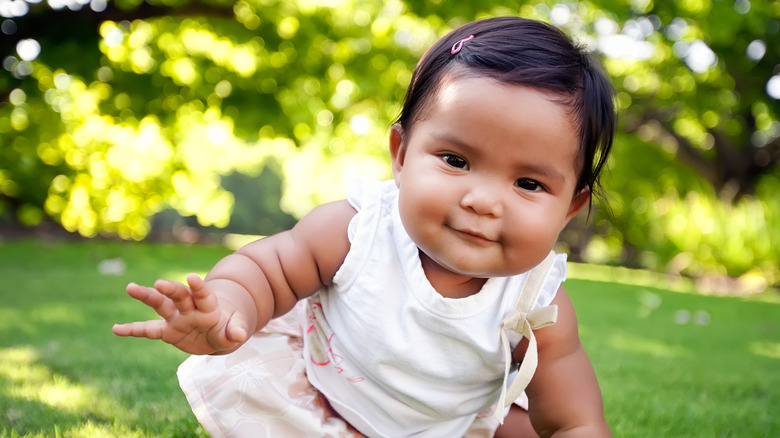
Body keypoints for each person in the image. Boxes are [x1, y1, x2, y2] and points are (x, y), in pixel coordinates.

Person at [113, 16, 615, 437]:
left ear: (569, 208)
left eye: (528, 183)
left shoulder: (539, 305)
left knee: (516, 427)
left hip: (444, 426)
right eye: (455, 160)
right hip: (320, 396)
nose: (482, 201)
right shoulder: (358, 230)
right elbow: (267, 271)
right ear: (400, 155)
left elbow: (573, 420)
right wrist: (226, 308)